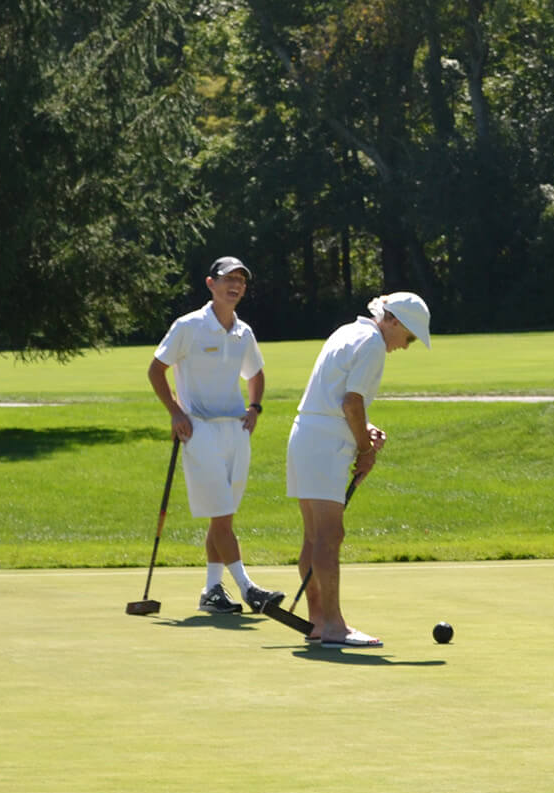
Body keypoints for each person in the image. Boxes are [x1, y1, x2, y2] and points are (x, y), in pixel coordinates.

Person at [285, 292, 432, 647]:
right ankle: (334, 626)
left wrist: (364, 431)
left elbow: (337, 400)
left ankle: (319, 620)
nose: (406, 346)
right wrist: (365, 450)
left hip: (307, 436)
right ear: (393, 321)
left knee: (314, 536)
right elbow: (352, 403)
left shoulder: (347, 331)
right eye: (409, 337)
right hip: (325, 445)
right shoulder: (372, 345)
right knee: (329, 536)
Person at [148, 256, 286, 617]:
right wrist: (176, 412)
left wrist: (254, 409)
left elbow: (255, 373)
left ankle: (211, 591)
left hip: (236, 430)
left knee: (220, 516)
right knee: (222, 515)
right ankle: (248, 588)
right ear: (211, 283)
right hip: (199, 429)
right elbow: (156, 369)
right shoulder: (188, 325)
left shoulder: (244, 331)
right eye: (228, 279)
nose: (235, 285)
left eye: (241, 279)